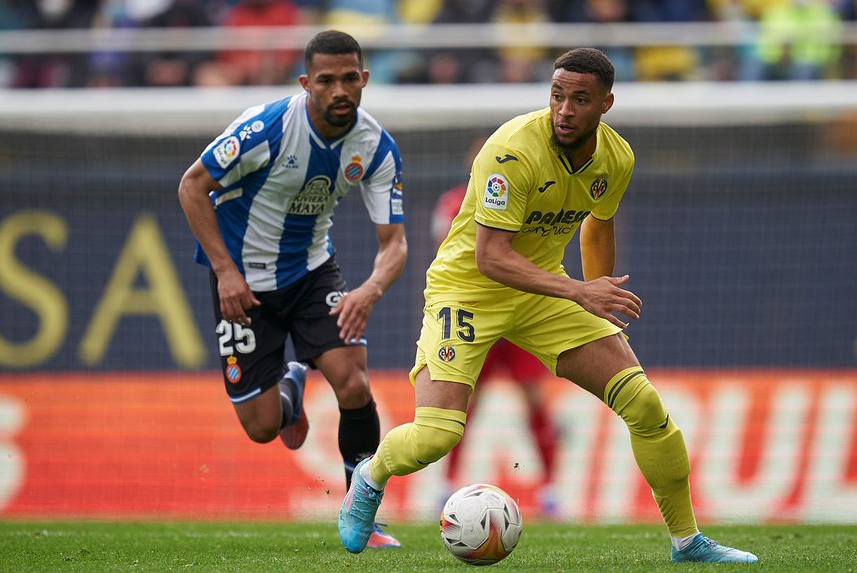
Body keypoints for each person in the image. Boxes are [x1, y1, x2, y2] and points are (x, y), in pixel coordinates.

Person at [337, 47, 759, 563]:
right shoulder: (511, 150)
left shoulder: (616, 157)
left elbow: (597, 223)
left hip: (543, 294)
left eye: (579, 99)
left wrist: (598, 292)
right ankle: (370, 474)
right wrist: (582, 291)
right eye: (557, 95)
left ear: (606, 102)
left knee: (644, 405)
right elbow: (490, 257)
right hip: (468, 292)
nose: (564, 109)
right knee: (436, 436)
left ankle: (687, 541)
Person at [178, 29, 406, 549]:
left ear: (364, 79)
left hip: (311, 274)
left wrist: (368, 289)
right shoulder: (267, 128)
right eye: (326, 80)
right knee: (261, 428)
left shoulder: (374, 146)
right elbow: (192, 186)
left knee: (353, 382)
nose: (340, 90)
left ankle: (361, 511)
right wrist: (225, 271)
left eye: (350, 78)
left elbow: (394, 244)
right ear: (306, 83)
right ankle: (291, 386)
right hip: (241, 284)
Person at [432, 136, 561, 518]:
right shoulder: (452, 204)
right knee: (462, 408)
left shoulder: (525, 201)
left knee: (535, 402)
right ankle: (446, 485)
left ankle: (551, 489)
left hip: (519, 318)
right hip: (475, 319)